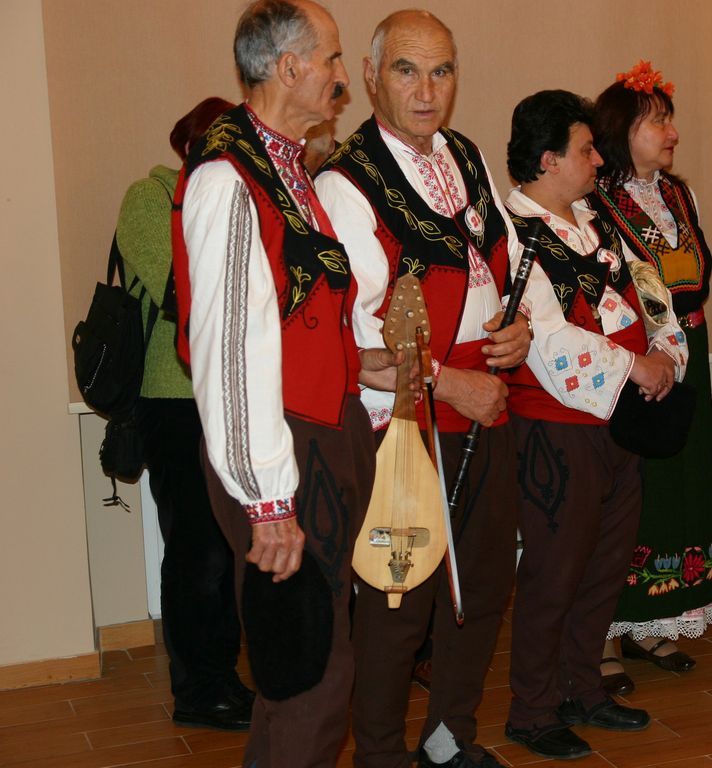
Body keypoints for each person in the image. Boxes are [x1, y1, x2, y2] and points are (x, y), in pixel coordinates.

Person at [314, 10, 530, 768]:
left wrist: (518, 330)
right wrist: (449, 383)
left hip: (484, 399)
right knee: (398, 598)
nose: (427, 90)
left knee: (483, 583)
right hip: (405, 417)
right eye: (407, 70)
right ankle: (378, 754)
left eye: (442, 71)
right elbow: (357, 335)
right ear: (370, 78)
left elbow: (506, 261)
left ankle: (447, 740)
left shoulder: (465, 155)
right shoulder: (346, 183)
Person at [172, 2, 378, 765]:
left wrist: (371, 366)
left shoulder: (287, 170)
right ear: (288, 68)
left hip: (322, 431)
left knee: (299, 665)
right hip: (284, 448)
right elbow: (229, 352)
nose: (341, 79)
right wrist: (267, 501)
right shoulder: (228, 177)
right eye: (332, 60)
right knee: (315, 674)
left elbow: (300, 320)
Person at [502, 89, 687, 761]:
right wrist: (636, 367)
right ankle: (532, 710)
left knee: (605, 566)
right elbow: (549, 342)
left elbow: (653, 292)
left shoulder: (596, 222)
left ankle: (583, 687)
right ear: (549, 160)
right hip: (558, 431)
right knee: (554, 574)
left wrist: (667, 353)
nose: (599, 159)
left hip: (621, 423)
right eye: (586, 149)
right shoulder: (513, 235)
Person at [588, 61, 712, 696]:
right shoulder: (596, 203)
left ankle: (650, 621)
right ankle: (602, 634)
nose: (671, 133)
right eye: (657, 122)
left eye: (669, 120)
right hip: (634, 357)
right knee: (628, 494)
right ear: (622, 131)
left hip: (687, 350)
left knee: (678, 486)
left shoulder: (679, 195)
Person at [118, 97, 254, 731]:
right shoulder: (150, 199)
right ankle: (199, 690)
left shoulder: (245, 204)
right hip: (175, 401)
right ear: (190, 147)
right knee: (197, 551)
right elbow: (185, 293)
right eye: (217, 147)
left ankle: (225, 677)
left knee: (232, 549)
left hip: (235, 399)